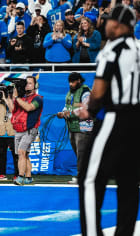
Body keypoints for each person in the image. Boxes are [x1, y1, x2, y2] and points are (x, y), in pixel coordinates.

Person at [76, 5, 140, 235]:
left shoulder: (112, 50)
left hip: (115, 118)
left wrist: (89, 110)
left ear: (120, 25)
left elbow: (100, 91)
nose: (106, 24)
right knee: (129, 182)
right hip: (136, 121)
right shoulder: (139, 48)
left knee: (90, 178)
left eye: (110, 21)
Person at [5, 76, 43, 185]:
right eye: (26, 83)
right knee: (24, 155)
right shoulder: (22, 98)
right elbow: (13, 110)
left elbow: (29, 108)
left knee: (21, 152)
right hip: (19, 130)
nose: (27, 85)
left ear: (35, 85)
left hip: (30, 130)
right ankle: (28, 177)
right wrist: (7, 97)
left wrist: (17, 98)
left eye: (30, 83)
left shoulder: (38, 98)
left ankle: (20, 177)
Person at [56, 72, 92, 184]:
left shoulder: (86, 92)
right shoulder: (70, 93)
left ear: (79, 81)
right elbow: (67, 106)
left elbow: (86, 108)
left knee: (82, 153)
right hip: (72, 127)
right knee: (79, 153)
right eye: (69, 82)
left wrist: (69, 113)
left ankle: (82, 177)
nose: (71, 84)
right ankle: (85, 175)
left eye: (73, 82)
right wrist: (62, 113)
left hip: (83, 127)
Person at [0, 84, 19, 181]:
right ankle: (2, 174)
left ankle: (17, 174)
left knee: (16, 155)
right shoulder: (0, 102)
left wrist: (6, 98)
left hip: (12, 132)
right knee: (2, 155)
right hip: (1, 132)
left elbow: (13, 110)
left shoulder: (15, 101)